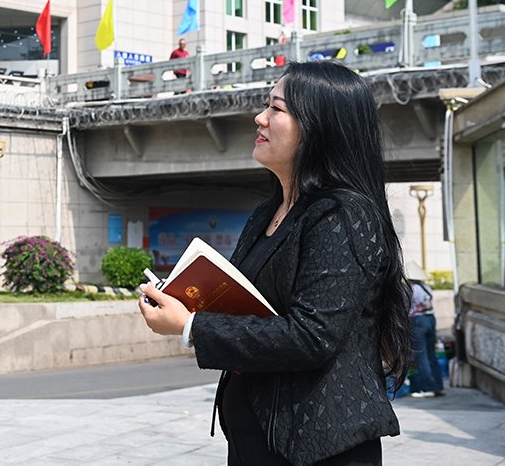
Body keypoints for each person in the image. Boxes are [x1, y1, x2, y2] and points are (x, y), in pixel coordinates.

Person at [139, 60, 412, 466]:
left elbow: (312, 335)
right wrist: (184, 299)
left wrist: (191, 326)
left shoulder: (342, 214)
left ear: (320, 127)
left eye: (276, 109)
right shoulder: (268, 212)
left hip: (320, 448)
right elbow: (250, 306)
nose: (259, 118)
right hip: (256, 439)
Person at [406, 261, 444, 398]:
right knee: (431, 355)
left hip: (418, 321)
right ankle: (438, 386)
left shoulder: (410, 289)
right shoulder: (426, 287)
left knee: (421, 356)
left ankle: (428, 388)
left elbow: (405, 308)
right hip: (430, 320)